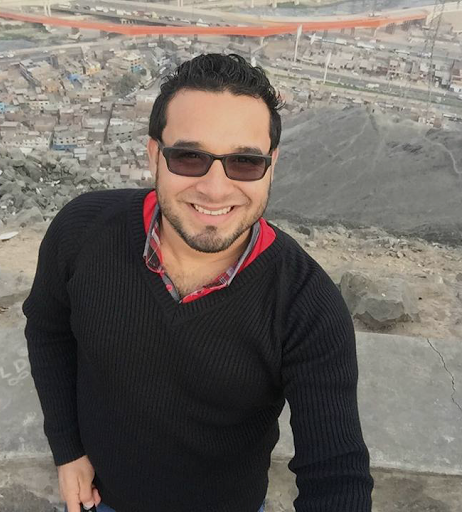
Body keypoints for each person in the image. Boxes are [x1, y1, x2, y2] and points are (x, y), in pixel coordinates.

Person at [23, 53, 373, 512]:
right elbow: (48, 330)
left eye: (244, 162)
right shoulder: (82, 232)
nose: (215, 188)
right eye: (190, 157)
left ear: (271, 164)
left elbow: (336, 471)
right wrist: (67, 447)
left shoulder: (305, 305)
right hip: (99, 498)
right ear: (155, 155)